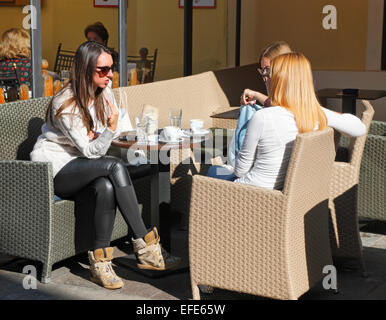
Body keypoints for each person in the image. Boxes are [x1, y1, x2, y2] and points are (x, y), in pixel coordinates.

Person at [30, 41, 179, 290]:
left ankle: (100, 264)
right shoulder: (64, 103)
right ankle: (146, 244)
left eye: (111, 68)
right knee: (114, 168)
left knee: (106, 187)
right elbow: (90, 151)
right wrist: (108, 130)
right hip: (56, 169)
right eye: (103, 70)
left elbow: (120, 133)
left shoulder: (104, 92)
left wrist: (118, 124)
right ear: (85, 69)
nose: (110, 74)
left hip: (84, 165)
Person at [208, 52, 366, 190]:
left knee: (213, 170)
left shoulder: (264, 117)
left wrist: (229, 165)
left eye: (269, 75)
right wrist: (327, 112)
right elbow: (359, 128)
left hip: (251, 194)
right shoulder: (315, 114)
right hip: (287, 192)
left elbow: (240, 171)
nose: (267, 79)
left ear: (280, 80)